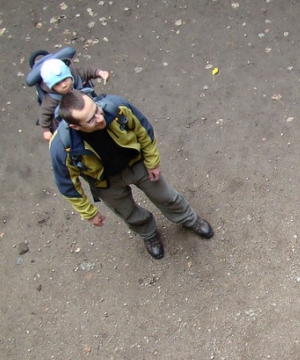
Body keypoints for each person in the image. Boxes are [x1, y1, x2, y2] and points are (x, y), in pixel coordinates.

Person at [50, 89, 213, 259]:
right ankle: (149, 234)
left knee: (166, 195)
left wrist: (152, 161)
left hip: (137, 164)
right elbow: (68, 185)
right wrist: (89, 213)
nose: (100, 117)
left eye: (96, 109)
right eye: (90, 119)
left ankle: (189, 219)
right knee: (128, 212)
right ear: (75, 126)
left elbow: (144, 130)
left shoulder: (116, 108)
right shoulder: (61, 148)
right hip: (106, 183)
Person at [38, 57, 111, 142]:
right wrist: (45, 130)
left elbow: (88, 70)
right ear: (51, 87)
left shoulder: (77, 77)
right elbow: (44, 114)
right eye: (57, 84)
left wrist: (100, 73)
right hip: (70, 119)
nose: (63, 85)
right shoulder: (51, 99)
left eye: (65, 79)